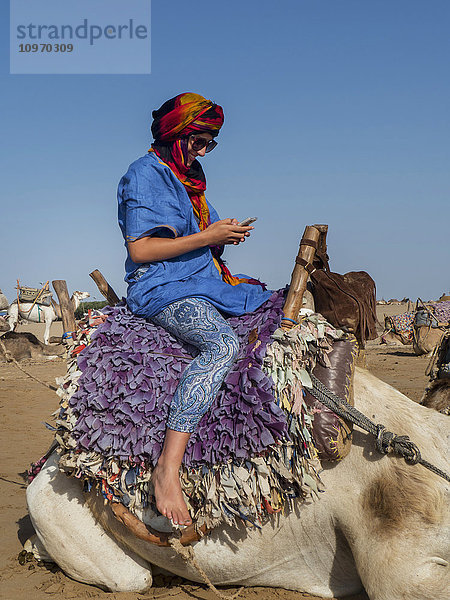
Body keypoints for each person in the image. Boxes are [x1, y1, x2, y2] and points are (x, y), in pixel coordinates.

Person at [117, 92, 272, 526]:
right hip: (162, 286)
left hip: (201, 280)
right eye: (200, 142)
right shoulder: (145, 174)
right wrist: (207, 238)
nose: (205, 152)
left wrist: (223, 234)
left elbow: (203, 232)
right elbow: (142, 248)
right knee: (222, 347)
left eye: (211, 144)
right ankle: (168, 469)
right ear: (177, 137)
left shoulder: (192, 177)